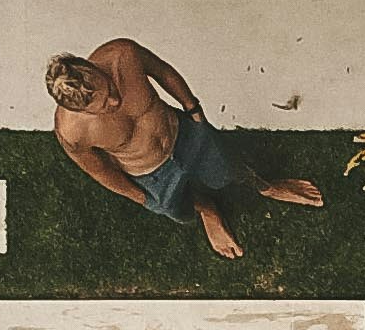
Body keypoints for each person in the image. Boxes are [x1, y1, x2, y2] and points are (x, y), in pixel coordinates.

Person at [47, 41, 320, 259]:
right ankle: (206, 209)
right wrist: (139, 197)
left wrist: (194, 110)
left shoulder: (123, 55)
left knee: (231, 166)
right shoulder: (72, 132)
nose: (116, 99)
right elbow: (99, 170)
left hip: (184, 133)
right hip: (149, 172)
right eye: (105, 106)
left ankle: (268, 187)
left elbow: (163, 72)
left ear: (92, 66)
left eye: (110, 88)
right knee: (178, 208)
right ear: (79, 111)